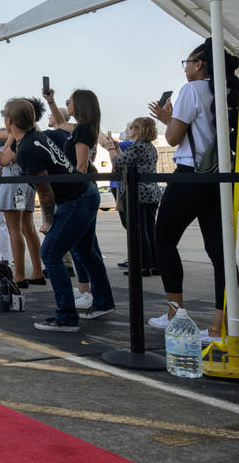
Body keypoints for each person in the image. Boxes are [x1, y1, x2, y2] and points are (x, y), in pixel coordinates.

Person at [0, 99, 115, 332]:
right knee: (85, 251)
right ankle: (103, 302)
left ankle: (66, 317)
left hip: (75, 200)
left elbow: (45, 193)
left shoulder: (27, 149)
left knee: (51, 253)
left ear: (9, 121)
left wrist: (49, 220)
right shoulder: (30, 139)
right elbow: (4, 160)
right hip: (85, 193)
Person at [147, 39, 238, 345]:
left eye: (186, 62)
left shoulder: (192, 90)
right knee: (220, 252)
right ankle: (221, 324)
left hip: (190, 177)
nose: (185, 67)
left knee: (163, 239)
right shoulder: (229, 91)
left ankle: (176, 314)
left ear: (200, 64)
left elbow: (173, 139)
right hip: (221, 178)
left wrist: (166, 120)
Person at [46, 87, 104, 307]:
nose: (66, 104)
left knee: (81, 248)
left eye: (68, 102)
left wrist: (72, 189)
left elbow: (80, 165)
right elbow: (61, 124)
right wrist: (51, 102)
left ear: (78, 105)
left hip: (80, 192)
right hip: (86, 189)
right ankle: (89, 291)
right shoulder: (85, 128)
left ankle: (89, 292)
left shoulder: (81, 131)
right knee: (85, 247)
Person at [0, 97, 45, 287]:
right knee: (27, 227)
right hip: (27, 185)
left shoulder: (18, 135)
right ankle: (37, 271)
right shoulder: (34, 130)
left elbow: (4, 158)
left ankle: (19, 276)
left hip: (14, 183)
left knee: (14, 228)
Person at [102, 117, 160, 276]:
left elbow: (119, 162)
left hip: (137, 193)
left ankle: (142, 265)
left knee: (137, 230)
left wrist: (110, 149)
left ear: (139, 131)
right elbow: (128, 161)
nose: (131, 130)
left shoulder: (138, 147)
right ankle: (155, 264)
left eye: (133, 128)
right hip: (151, 193)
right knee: (150, 229)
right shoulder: (149, 147)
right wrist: (117, 148)